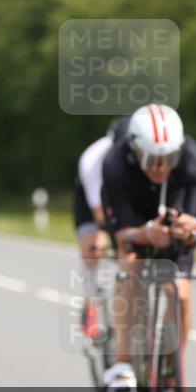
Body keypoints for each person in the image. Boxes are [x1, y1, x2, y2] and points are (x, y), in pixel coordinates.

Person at [101, 104, 196, 392]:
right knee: (130, 270)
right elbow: (123, 234)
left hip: (172, 221)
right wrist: (147, 233)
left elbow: (195, 226)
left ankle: (172, 368)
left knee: (181, 293)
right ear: (135, 151)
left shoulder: (194, 163)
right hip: (134, 219)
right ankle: (123, 362)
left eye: (168, 160)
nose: (160, 169)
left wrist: (189, 230)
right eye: (151, 160)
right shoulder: (115, 165)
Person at [73, 116, 129, 339]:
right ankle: (90, 302)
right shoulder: (93, 159)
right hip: (91, 203)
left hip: (122, 197)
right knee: (95, 247)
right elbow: (99, 215)